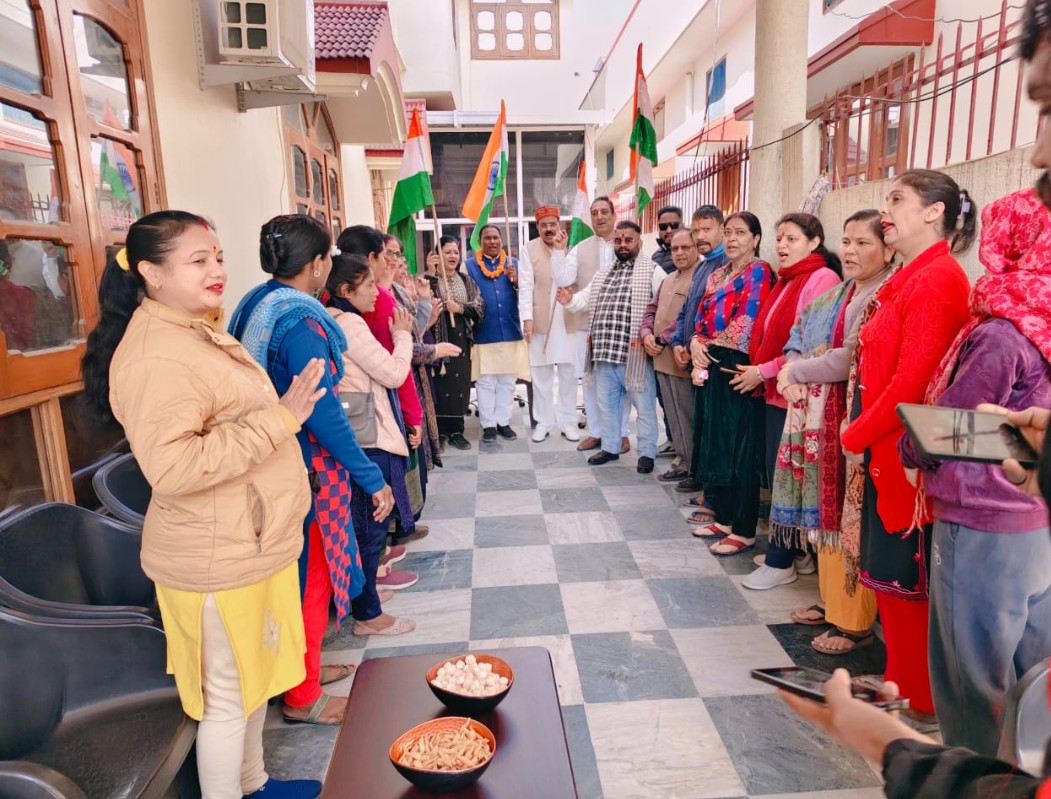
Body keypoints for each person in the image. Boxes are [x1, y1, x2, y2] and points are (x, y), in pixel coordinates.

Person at [82, 211, 323, 799]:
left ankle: (254, 783)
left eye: (217, 257)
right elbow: (175, 468)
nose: (217, 269)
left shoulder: (193, 329)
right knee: (227, 699)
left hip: (248, 540)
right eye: (198, 260)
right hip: (215, 555)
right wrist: (281, 419)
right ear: (152, 273)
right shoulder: (155, 356)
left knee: (254, 679)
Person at [897, 187, 1051, 756]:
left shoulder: (1004, 333)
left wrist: (909, 451)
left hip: (983, 522)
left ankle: (974, 784)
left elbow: (953, 425)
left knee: (972, 682)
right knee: (1035, 673)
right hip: (1037, 515)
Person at [229, 214, 394, 727]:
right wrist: (371, 477)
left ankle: (302, 667)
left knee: (298, 578)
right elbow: (324, 415)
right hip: (305, 467)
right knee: (311, 580)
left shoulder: (258, 302)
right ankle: (302, 696)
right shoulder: (301, 325)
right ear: (319, 264)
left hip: (275, 459)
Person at [839, 170, 975, 723]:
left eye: (897, 200)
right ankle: (902, 678)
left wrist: (856, 433)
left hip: (905, 455)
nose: (886, 211)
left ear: (934, 212)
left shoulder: (937, 279)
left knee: (906, 580)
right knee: (891, 579)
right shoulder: (910, 275)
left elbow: (913, 383)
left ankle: (918, 697)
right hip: (885, 450)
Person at [773, 209, 893, 653]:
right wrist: (791, 369)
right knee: (826, 517)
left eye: (863, 243)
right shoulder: (841, 291)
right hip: (816, 418)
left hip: (853, 417)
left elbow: (849, 356)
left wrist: (797, 371)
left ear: (888, 250)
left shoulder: (882, 293)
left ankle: (853, 623)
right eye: (846, 241)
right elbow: (797, 333)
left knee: (848, 519)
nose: (850, 251)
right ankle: (831, 603)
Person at [741, 213, 842, 589]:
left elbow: (809, 343)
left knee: (786, 480)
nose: (782, 245)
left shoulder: (822, 279)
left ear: (814, 242)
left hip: (797, 395)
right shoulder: (788, 278)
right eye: (780, 238)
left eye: (792, 239)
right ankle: (797, 553)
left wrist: (766, 370)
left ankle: (780, 561)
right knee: (779, 474)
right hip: (779, 389)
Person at [326, 254, 419, 635]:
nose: (376, 293)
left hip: (355, 427)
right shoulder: (349, 323)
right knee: (371, 526)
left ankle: (364, 597)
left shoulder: (333, 317)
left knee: (363, 524)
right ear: (345, 290)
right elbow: (394, 373)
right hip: (366, 433)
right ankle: (368, 615)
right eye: (368, 286)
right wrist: (403, 336)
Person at [690, 211, 774, 555]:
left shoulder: (760, 271)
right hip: (710, 360)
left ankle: (743, 529)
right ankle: (723, 519)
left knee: (741, 449)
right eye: (728, 232)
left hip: (737, 365)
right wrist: (696, 342)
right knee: (716, 444)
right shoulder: (719, 273)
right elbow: (701, 314)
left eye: (740, 232)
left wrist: (708, 346)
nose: (732, 239)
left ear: (756, 238)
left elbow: (748, 321)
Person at [559, 220, 665, 472]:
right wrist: (569, 299)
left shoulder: (653, 271)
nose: (623, 244)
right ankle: (610, 447)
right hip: (605, 355)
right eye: (618, 240)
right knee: (607, 407)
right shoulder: (603, 273)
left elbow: (663, 309)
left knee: (644, 408)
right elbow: (583, 300)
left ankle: (647, 453)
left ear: (639, 242)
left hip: (636, 357)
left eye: (629, 239)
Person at [671, 205, 731, 497]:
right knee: (699, 423)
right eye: (696, 230)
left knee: (713, 427)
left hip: (714, 358)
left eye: (707, 229)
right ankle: (699, 477)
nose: (700, 236)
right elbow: (688, 310)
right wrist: (678, 342)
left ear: (722, 229)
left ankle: (710, 488)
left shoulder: (727, 266)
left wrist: (698, 346)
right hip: (692, 355)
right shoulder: (703, 266)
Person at [565, 196, 632, 454]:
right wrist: (559, 253)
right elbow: (564, 278)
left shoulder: (627, 243)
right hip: (587, 324)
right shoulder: (580, 248)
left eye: (605, 211)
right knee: (590, 380)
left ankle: (621, 433)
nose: (600, 216)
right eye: (595, 213)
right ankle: (596, 432)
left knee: (621, 380)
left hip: (620, 325)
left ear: (614, 215)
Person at [639, 228, 701, 483]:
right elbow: (650, 310)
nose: (679, 253)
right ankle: (683, 461)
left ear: (696, 248)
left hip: (681, 359)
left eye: (686, 247)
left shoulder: (701, 277)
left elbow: (687, 317)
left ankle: (692, 468)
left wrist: (661, 338)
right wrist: (646, 334)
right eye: (675, 248)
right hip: (660, 359)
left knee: (686, 416)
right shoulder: (668, 278)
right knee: (673, 416)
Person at [518, 205, 581, 443]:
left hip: (567, 320)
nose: (548, 229)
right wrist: (527, 319)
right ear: (537, 227)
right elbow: (525, 286)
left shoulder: (572, 247)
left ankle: (568, 422)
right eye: (543, 225)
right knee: (541, 374)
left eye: (552, 224)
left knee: (568, 374)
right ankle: (543, 422)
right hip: (540, 320)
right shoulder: (529, 249)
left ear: (559, 224)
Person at [465, 224, 529, 441]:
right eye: (487, 238)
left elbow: (527, 295)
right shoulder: (469, 266)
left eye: (495, 238)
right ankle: (488, 425)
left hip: (510, 330)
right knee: (485, 382)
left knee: (507, 381)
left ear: (501, 240)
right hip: (483, 332)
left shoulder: (514, 264)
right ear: (479, 242)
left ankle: (503, 422)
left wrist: (517, 280)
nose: (492, 241)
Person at [427, 235, 485, 450]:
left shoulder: (466, 280)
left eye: (455, 252)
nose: (453, 256)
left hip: (461, 337)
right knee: (440, 383)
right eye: (447, 252)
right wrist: (431, 274)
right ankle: (439, 432)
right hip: (437, 337)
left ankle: (457, 431)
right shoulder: (428, 280)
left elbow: (480, 305)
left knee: (460, 383)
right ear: (437, 255)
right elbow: (422, 304)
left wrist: (460, 308)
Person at [650, 204, 684, 275]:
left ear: (682, 226)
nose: (669, 231)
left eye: (674, 225)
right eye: (663, 226)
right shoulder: (655, 257)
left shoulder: (692, 252)